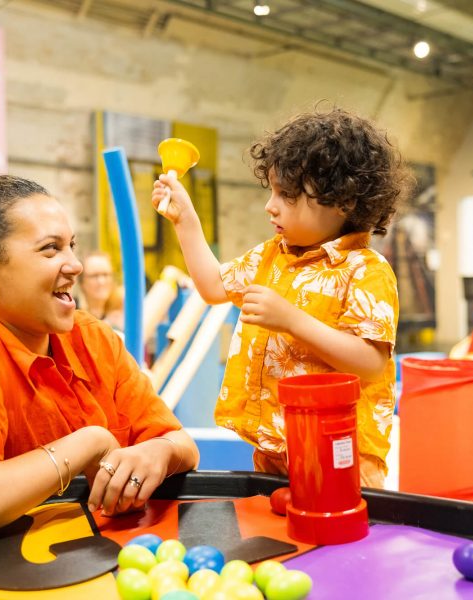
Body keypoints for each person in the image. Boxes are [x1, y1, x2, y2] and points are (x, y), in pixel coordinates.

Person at [0, 160, 199, 546]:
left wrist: (159, 451)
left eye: (72, 246)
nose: (76, 265)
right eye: (51, 249)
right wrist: (89, 443)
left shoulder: (92, 337)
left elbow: (182, 444)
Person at [152, 107, 410, 489]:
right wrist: (185, 219)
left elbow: (371, 362)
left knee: (335, 543)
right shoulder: (270, 255)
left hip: (340, 452)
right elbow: (212, 286)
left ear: (343, 201)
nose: (270, 205)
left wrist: (292, 320)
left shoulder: (365, 270)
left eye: (286, 194)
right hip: (275, 450)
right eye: (271, 190)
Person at [78, 251, 125, 332]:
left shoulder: (124, 308)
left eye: (106, 274)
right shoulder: (75, 314)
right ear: (82, 282)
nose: (101, 281)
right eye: (94, 276)